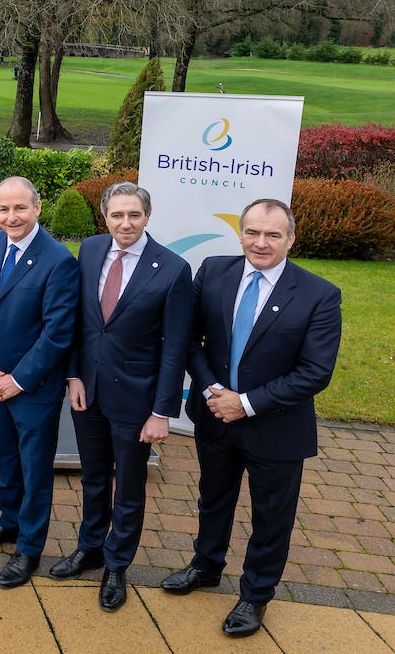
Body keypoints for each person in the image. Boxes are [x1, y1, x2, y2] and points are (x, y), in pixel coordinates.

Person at [161, 198, 342, 638]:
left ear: (291, 239)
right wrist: (212, 393)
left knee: (271, 516)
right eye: (253, 233)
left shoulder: (319, 295)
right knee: (213, 498)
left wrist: (245, 403)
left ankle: (256, 595)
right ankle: (205, 567)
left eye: (273, 235)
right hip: (215, 417)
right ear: (240, 233)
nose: (261, 243)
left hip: (275, 427)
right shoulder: (214, 272)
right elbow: (190, 340)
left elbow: (315, 372)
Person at [52, 182, 192, 611]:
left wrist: (161, 412)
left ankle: (117, 565)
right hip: (87, 392)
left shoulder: (172, 268)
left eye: (134, 215)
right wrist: (73, 376)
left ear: (147, 217)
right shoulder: (91, 250)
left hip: (137, 401)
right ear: (105, 216)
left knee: (129, 487)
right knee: (93, 477)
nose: (125, 223)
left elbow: (175, 347)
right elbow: (81, 322)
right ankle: (90, 547)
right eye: (117, 215)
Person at [0, 176, 79, 589]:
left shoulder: (59, 260)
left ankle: (29, 548)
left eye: (19, 208)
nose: (11, 217)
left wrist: (19, 380)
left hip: (33, 390)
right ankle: (9, 522)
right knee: (7, 461)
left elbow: (57, 333)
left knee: (34, 471)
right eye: (3, 209)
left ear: (37, 208)